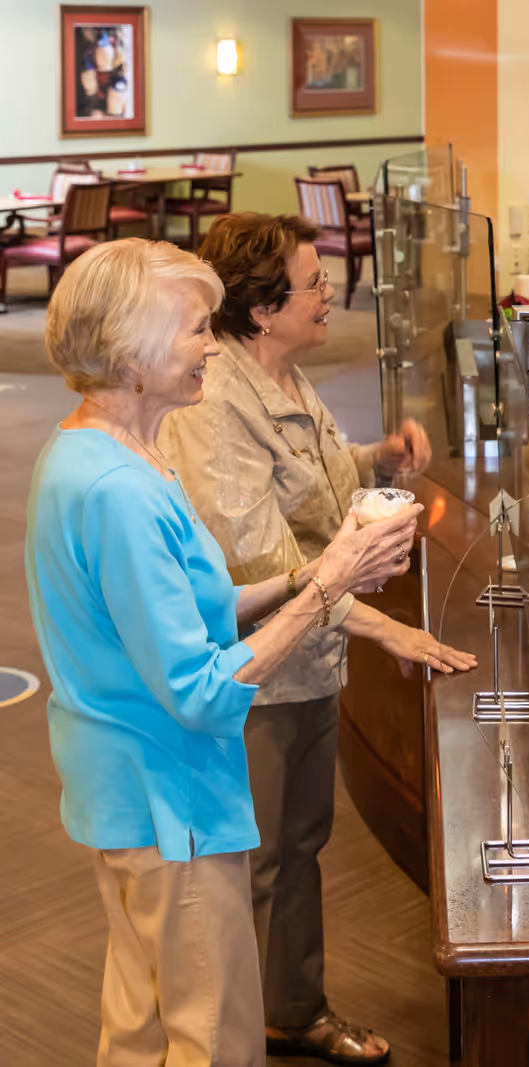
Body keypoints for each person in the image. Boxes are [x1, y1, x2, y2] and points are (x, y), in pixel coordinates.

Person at [25, 238, 418, 1067]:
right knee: (215, 1038)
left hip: (125, 788)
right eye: (195, 329)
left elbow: (196, 607)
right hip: (168, 799)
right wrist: (329, 587)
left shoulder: (107, 451)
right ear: (130, 350)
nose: (212, 344)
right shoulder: (119, 491)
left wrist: (311, 571)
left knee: (138, 1022)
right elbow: (202, 690)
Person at [160, 213, 476, 1065]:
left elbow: (309, 483)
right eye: (313, 281)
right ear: (263, 308)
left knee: (296, 844)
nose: (330, 291)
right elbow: (264, 567)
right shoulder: (216, 404)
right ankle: (261, 1021)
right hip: (257, 671)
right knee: (260, 857)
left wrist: (377, 458)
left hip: (310, 659)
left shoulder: (285, 375)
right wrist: (391, 633)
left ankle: (285, 1005)